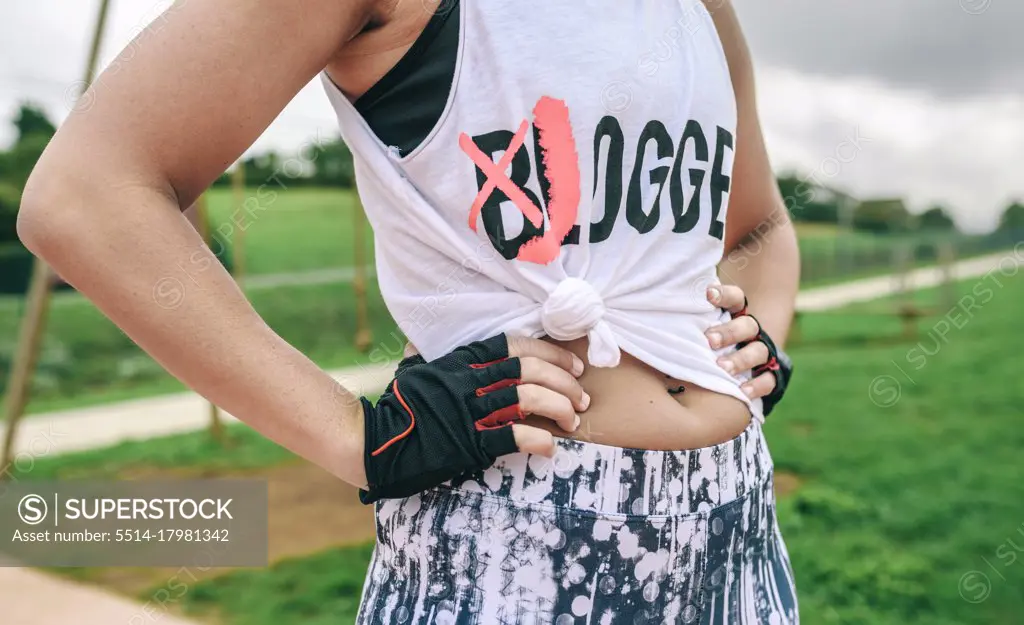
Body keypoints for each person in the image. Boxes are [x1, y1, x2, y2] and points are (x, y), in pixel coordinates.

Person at [18, 0, 800, 622]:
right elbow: (86, 196)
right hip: (514, 531)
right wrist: (357, 438)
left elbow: (759, 226)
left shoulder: (701, 7)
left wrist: (757, 336)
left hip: (736, 522)